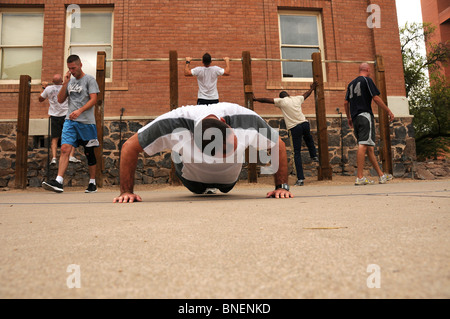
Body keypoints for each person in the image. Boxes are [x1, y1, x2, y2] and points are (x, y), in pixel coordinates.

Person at [113, 102, 293, 203]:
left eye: (230, 146)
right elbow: (130, 146)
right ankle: (185, 156)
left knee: (229, 174)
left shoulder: (246, 119)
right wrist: (126, 192)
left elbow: (279, 145)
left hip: (229, 181)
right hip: (192, 181)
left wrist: (281, 187)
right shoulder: (173, 123)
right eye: (219, 154)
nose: (224, 155)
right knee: (179, 155)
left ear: (226, 123)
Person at [42, 55, 100, 193]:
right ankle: (59, 181)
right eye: (69, 69)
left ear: (80, 65)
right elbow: (61, 100)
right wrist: (65, 83)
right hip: (70, 121)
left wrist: (80, 110)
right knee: (64, 149)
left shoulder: (89, 80)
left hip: (86, 123)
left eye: (73, 68)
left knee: (89, 152)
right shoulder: (70, 82)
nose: (72, 71)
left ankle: (92, 183)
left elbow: (94, 100)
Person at [253, 82, 319, 186]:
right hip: (305, 124)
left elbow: (267, 100)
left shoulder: (281, 101)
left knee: (296, 153)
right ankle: (314, 155)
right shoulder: (297, 98)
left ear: (281, 97)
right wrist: (312, 88)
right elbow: (306, 94)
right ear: (288, 95)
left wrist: (256, 99)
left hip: (294, 127)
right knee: (308, 138)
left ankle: (300, 179)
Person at [344, 63, 395, 185]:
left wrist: (349, 117)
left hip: (355, 118)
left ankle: (381, 176)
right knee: (363, 145)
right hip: (365, 116)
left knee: (369, 147)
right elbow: (376, 98)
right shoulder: (367, 80)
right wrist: (388, 111)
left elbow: (346, 103)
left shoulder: (351, 84)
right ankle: (360, 177)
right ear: (367, 69)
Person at [39, 74, 80, 165]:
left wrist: (43, 87)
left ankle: (54, 158)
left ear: (53, 81)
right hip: (66, 115)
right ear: (61, 81)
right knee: (72, 135)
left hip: (55, 115)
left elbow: (40, 99)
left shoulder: (48, 89)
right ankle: (71, 156)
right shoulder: (67, 87)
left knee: (54, 138)